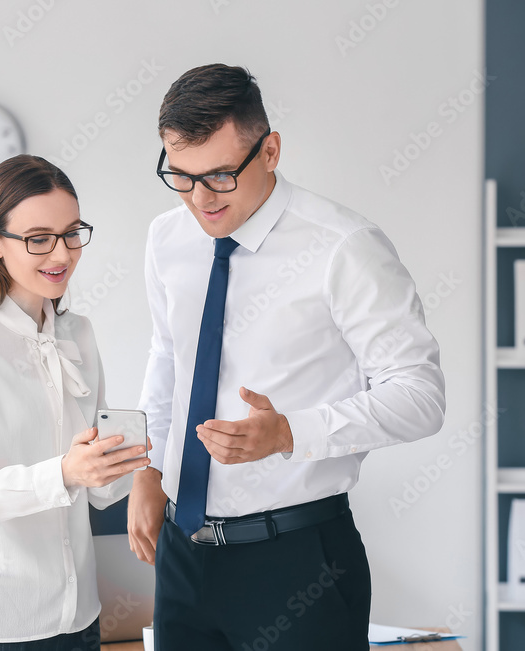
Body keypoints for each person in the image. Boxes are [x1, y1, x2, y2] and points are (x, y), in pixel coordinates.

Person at [127, 64, 446, 649]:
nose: (200, 199)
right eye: (181, 175)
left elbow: (421, 396)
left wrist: (289, 433)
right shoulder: (167, 238)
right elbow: (169, 357)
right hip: (183, 554)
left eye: (221, 175)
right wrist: (150, 471)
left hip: (299, 562)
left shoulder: (344, 248)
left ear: (270, 151)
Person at [0, 155, 150, 651]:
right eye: (38, 238)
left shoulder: (78, 334)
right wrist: (66, 472)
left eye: (71, 233)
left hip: (77, 619)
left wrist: (140, 460)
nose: (61, 253)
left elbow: (102, 490)